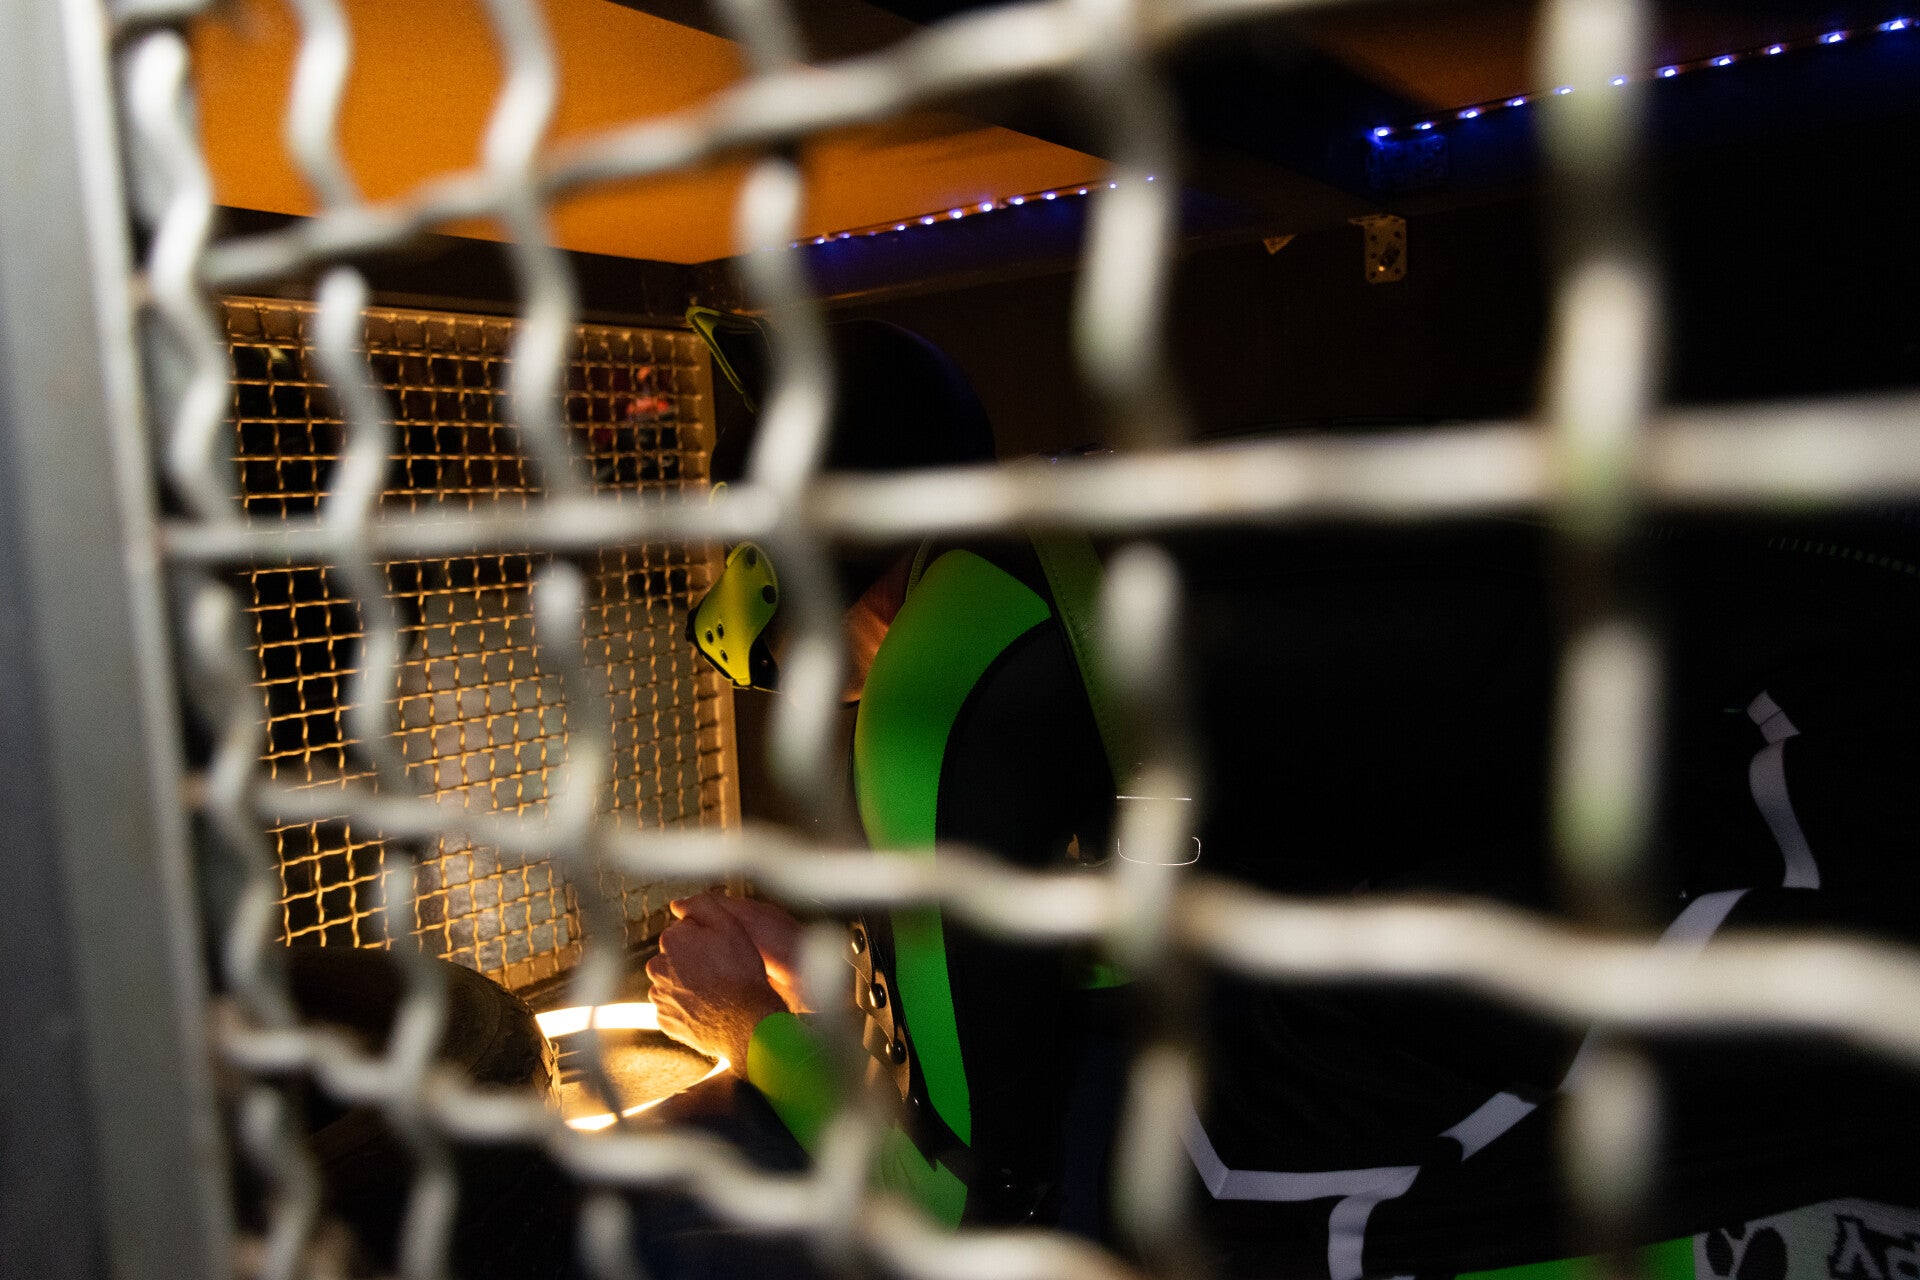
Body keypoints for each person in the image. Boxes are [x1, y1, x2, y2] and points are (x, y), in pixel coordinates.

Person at [650, 309, 1920, 1276]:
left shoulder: (939, 670)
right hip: (1813, 737)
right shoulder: (1055, 542)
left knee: (1212, 1183)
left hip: (1773, 825)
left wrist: (752, 1035)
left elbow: (986, 1215)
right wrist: (853, 981)